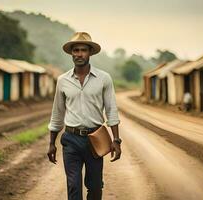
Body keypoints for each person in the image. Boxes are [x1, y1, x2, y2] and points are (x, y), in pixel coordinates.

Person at [47, 32, 122, 200]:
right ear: (71, 53)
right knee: (73, 186)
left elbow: (111, 110)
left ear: (90, 53)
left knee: (95, 187)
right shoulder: (63, 80)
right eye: (76, 50)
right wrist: (52, 143)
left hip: (95, 139)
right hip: (71, 139)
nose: (79, 54)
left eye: (83, 50)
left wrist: (116, 141)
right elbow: (57, 113)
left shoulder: (104, 79)